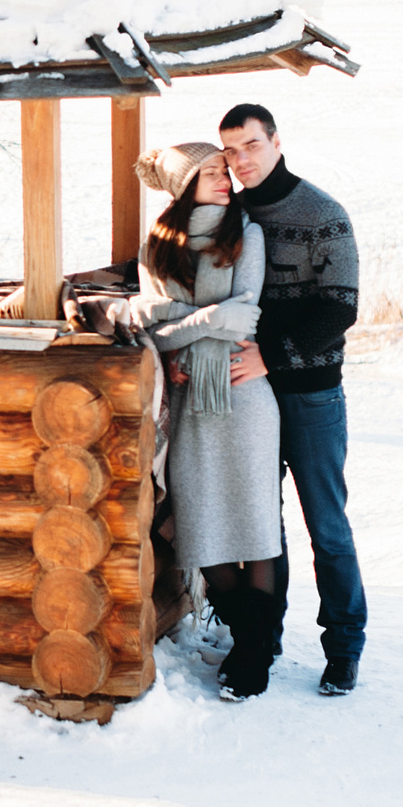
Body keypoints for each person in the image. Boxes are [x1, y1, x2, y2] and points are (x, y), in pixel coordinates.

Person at [217, 102, 366, 696]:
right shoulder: (229, 213)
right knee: (260, 526)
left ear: (276, 142)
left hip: (309, 395)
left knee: (325, 526)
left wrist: (271, 356)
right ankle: (262, 640)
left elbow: (340, 308)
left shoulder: (321, 213)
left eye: (250, 145)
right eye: (229, 151)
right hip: (247, 396)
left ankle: (344, 647)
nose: (241, 160)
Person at [128, 141, 285, 700]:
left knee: (255, 527)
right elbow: (152, 330)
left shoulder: (249, 234)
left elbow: (244, 316)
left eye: (226, 170)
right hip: (192, 406)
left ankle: (251, 660)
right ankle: (255, 639)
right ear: (184, 186)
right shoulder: (158, 248)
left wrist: (188, 321)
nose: (226, 179)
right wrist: (211, 318)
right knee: (201, 531)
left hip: (243, 397)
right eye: (213, 172)